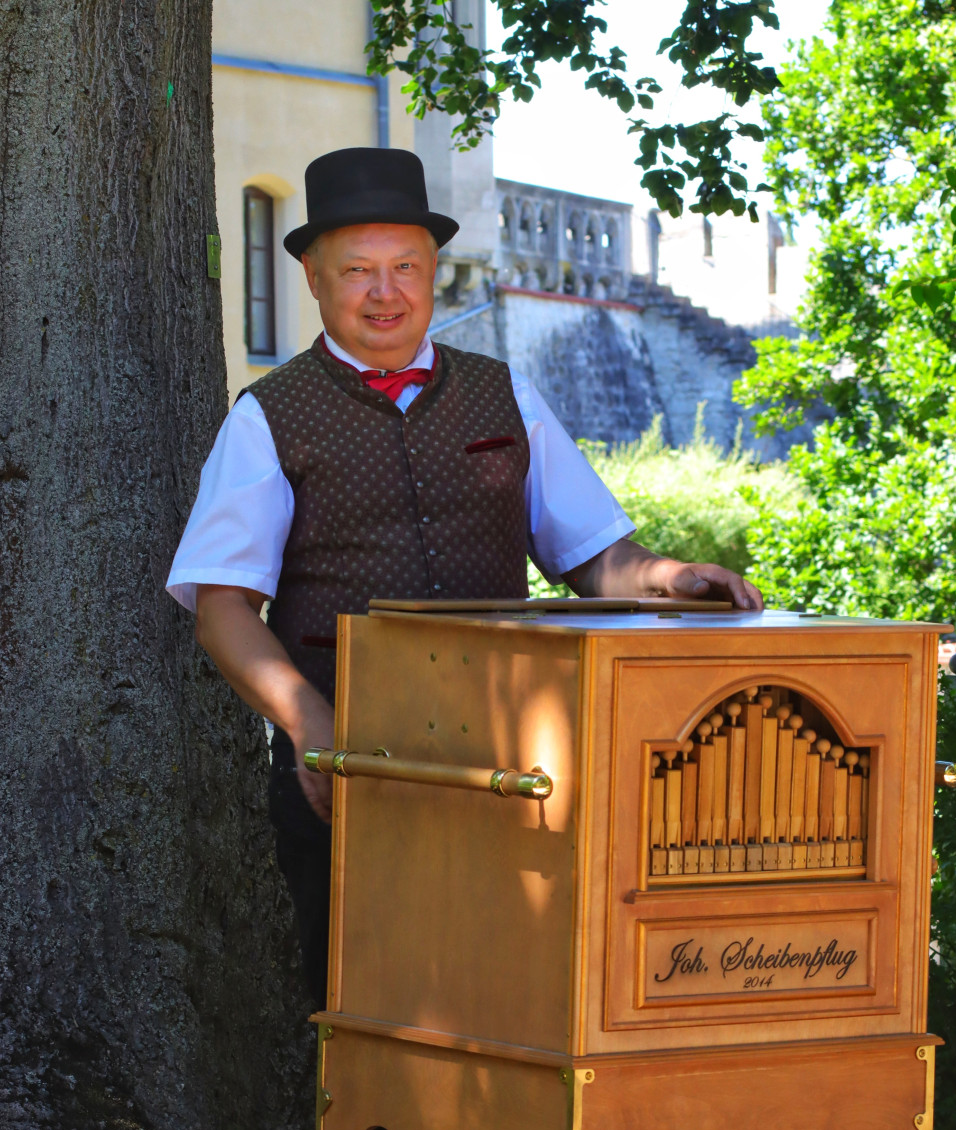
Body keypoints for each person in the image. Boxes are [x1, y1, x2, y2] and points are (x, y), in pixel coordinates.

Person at [167, 146, 763, 1007]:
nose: (385, 293)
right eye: (359, 271)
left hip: (512, 767)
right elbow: (222, 610)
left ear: (433, 270)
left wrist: (671, 576)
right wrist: (311, 726)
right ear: (312, 277)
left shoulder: (505, 393)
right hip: (352, 768)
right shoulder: (268, 417)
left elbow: (596, 556)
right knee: (367, 1008)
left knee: (515, 997)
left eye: (405, 267)